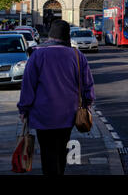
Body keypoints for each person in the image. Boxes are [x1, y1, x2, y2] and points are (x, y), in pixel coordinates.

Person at [17, 20, 95, 176]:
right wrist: (87, 104)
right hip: (68, 114)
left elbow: (28, 86)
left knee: (48, 153)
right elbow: (88, 84)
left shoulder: (37, 55)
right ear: (67, 36)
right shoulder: (77, 55)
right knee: (61, 150)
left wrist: (24, 109)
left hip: (43, 115)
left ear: (50, 36)